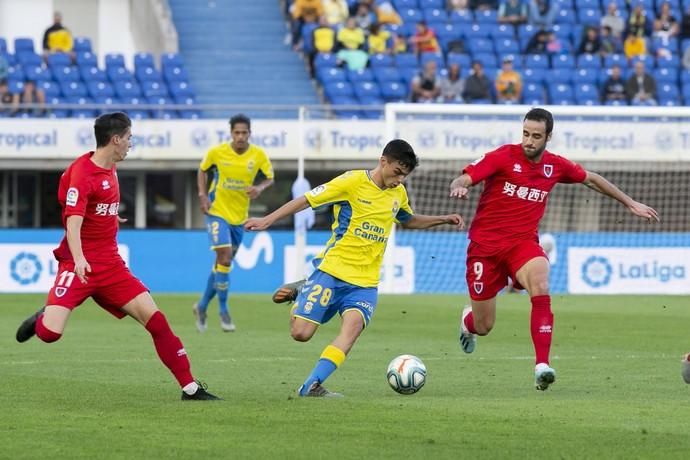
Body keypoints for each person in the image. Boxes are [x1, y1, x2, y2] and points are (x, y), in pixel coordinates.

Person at [449, 108, 659, 391]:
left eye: (536, 136)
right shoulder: (503, 156)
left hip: (522, 245)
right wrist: (460, 185)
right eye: (525, 134)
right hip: (484, 248)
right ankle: (467, 322)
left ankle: (542, 366)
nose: (529, 141)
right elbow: (465, 176)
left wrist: (630, 202)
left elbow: (592, 178)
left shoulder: (554, 166)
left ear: (548, 137)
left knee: (541, 281)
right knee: (484, 325)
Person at [14, 112, 220, 401]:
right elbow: (72, 222)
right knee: (51, 334)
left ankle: (190, 387)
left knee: (157, 321)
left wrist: (110, 215)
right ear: (115, 139)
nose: (130, 143)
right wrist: (80, 258)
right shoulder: (82, 174)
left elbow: (94, 207)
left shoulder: (110, 166)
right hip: (79, 265)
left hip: (111, 266)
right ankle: (42, 318)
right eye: (128, 138)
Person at [245, 139, 464, 397]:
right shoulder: (351, 182)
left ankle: (311, 385)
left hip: (365, 283)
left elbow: (408, 219)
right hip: (333, 271)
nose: (400, 180)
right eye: (397, 172)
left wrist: (443, 219)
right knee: (301, 333)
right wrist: (267, 219)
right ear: (384, 161)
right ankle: (303, 291)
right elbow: (306, 200)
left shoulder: (398, 194)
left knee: (351, 332)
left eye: (405, 175)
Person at [194, 114, 274, 333]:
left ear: (250, 133)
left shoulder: (257, 155)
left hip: (240, 218)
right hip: (216, 211)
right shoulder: (217, 153)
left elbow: (269, 177)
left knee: (222, 264)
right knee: (225, 257)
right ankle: (223, 311)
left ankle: (201, 306)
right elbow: (202, 170)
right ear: (231, 133)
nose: (240, 136)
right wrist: (202, 195)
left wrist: (259, 188)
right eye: (236, 132)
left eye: (244, 132)